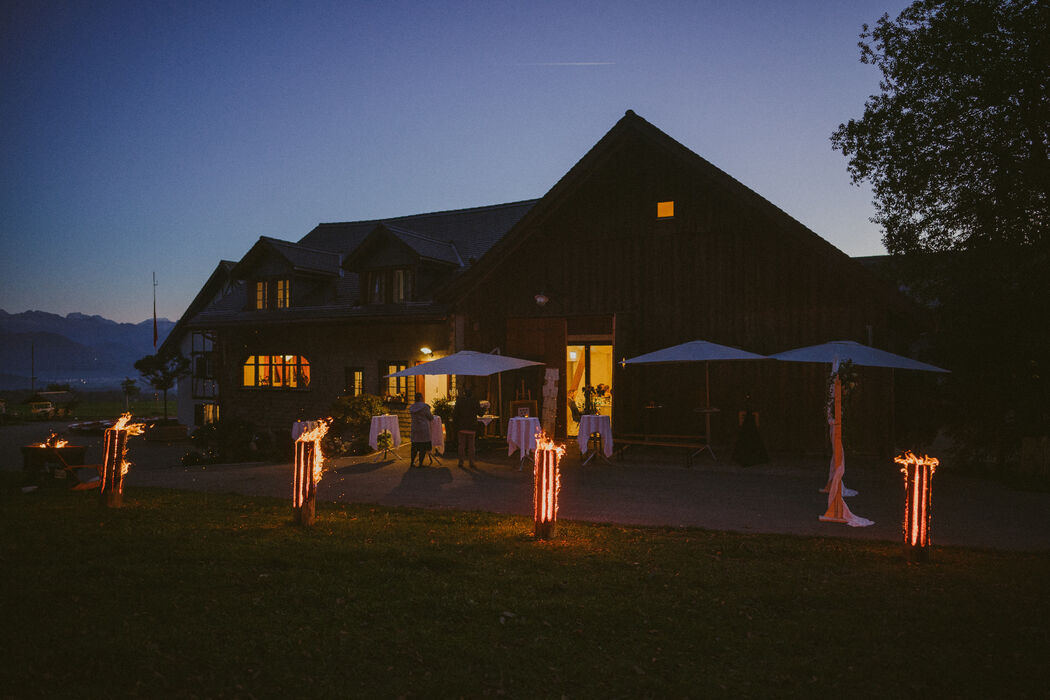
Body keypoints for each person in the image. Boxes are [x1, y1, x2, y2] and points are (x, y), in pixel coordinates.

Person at [452, 387, 482, 467]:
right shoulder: (475, 401)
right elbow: (480, 413)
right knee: (471, 445)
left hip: (461, 426)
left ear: (464, 393)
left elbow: (455, 414)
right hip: (472, 425)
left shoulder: (459, 401)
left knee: (461, 445)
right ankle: (471, 462)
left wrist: (456, 424)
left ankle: (461, 462)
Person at [408, 393, 434, 468]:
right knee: (422, 447)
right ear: (420, 398)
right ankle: (420, 463)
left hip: (415, 428)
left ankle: (412, 462)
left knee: (414, 446)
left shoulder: (412, 407)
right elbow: (430, 417)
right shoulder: (425, 407)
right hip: (423, 428)